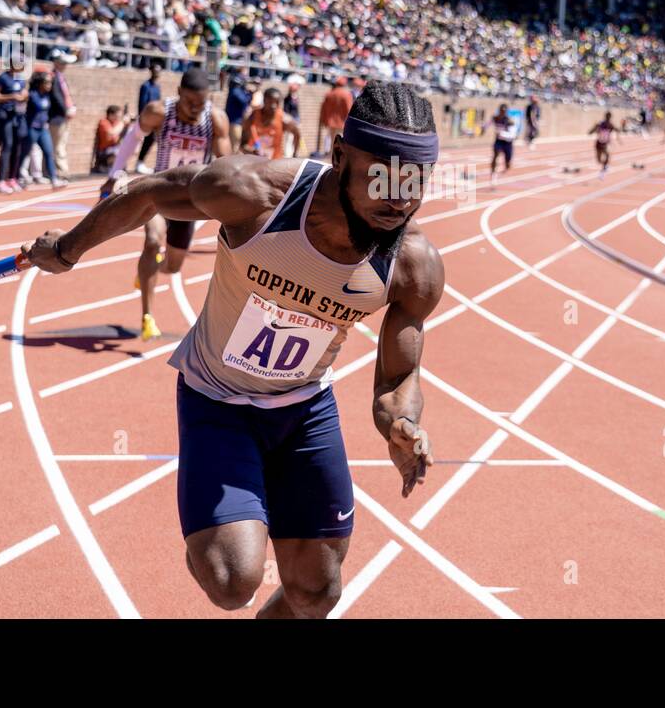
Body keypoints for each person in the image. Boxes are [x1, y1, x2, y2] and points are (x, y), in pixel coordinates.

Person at [24, 80, 443, 619]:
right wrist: (67, 248)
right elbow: (150, 191)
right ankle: (212, 536)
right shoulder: (255, 192)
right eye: (384, 177)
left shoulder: (413, 264)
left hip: (305, 410)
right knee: (230, 581)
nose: (400, 198)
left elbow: (397, 380)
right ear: (340, 156)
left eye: (416, 180)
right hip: (217, 400)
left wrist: (401, 425)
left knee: (317, 592)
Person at [105, 68, 230, 340]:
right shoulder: (159, 112)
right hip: (159, 193)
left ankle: (148, 270)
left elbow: (225, 162)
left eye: (202, 102)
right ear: (178, 93)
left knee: (172, 267)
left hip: (190, 202)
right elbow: (133, 137)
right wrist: (116, 172)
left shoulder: (216, 120)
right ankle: (147, 317)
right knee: (152, 241)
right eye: (190, 102)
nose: (196, 108)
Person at [19, 70, 65, 190]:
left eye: (50, 83)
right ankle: (18, 177)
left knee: (49, 153)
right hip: (32, 128)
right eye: (47, 83)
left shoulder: (47, 95)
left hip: (43, 128)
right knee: (24, 154)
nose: (49, 85)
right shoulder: (32, 94)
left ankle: (54, 179)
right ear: (40, 83)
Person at [0, 62, 29, 193]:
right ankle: (0, 180)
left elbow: (24, 93)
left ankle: (12, 178)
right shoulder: (3, 78)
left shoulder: (20, 79)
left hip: (17, 117)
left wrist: (24, 97)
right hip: (4, 115)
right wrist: (11, 96)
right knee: (7, 145)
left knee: (17, 147)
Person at [242, 87, 301, 159]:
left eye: (277, 102)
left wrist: (295, 153)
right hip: (254, 162)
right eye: (270, 102)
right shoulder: (253, 116)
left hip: (273, 163)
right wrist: (253, 151)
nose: (274, 106)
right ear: (264, 100)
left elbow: (297, 133)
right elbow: (243, 145)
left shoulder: (284, 119)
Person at [318, 76, 354, 157]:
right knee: (340, 141)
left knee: (331, 140)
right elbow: (349, 109)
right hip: (342, 122)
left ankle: (331, 156)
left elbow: (323, 109)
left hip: (330, 122)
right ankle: (337, 158)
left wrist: (323, 120)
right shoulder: (346, 94)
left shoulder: (329, 94)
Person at [135, 63, 162, 173]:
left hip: (154, 119)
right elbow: (142, 103)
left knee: (151, 140)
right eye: (155, 70)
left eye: (159, 71)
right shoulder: (145, 86)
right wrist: (142, 118)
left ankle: (141, 162)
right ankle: (138, 162)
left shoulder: (157, 87)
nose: (157, 73)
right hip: (146, 118)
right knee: (140, 140)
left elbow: (158, 103)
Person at [484, 103, 517, 178]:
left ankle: (507, 166)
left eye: (504, 111)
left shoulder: (509, 121)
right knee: (495, 155)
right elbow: (487, 124)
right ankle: (493, 172)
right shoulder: (495, 118)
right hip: (498, 141)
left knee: (508, 162)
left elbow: (513, 135)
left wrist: (502, 134)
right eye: (501, 110)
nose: (502, 112)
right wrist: (483, 128)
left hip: (508, 142)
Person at [225, 74, 253, 153]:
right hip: (235, 122)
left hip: (236, 121)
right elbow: (244, 101)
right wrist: (250, 94)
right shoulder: (235, 91)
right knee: (235, 144)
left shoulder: (236, 91)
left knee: (236, 144)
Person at [93, 105, 125, 173]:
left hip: (114, 149)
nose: (118, 118)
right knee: (116, 151)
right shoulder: (103, 122)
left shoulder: (117, 123)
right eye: (117, 116)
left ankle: (117, 170)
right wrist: (123, 123)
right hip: (104, 151)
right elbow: (111, 133)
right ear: (110, 114)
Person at [589, 111, 619, 175]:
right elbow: (592, 130)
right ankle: (604, 165)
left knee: (607, 154)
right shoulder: (600, 124)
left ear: (610, 117)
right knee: (599, 160)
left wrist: (618, 137)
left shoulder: (611, 125)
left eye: (609, 116)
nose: (608, 117)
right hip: (599, 143)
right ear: (605, 116)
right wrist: (592, 130)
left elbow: (617, 130)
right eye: (607, 116)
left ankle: (605, 166)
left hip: (606, 143)